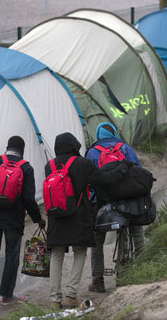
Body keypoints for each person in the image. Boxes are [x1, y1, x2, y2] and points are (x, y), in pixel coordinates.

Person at [46, 132, 130, 309]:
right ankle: (70, 295)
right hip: (78, 215)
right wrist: (121, 169)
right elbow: (103, 179)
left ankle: (54, 299)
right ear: (74, 145)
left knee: (56, 254)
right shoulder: (82, 164)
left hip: (55, 216)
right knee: (79, 251)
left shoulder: (49, 165)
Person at [0, 136, 46, 312]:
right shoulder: (26, 167)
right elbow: (28, 198)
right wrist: (38, 219)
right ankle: (7, 296)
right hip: (13, 220)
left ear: (7, 146)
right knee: (11, 257)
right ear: (22, 150)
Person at [85, 122, 144, 293]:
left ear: (98, 135)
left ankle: (97, 281)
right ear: (114, 133)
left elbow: (89, 180)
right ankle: (143, 269)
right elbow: (138, 171)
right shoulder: (126, 149)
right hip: (128, 201)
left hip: (103, 202)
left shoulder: (92, 152)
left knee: (97, 241)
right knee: (137, 233)